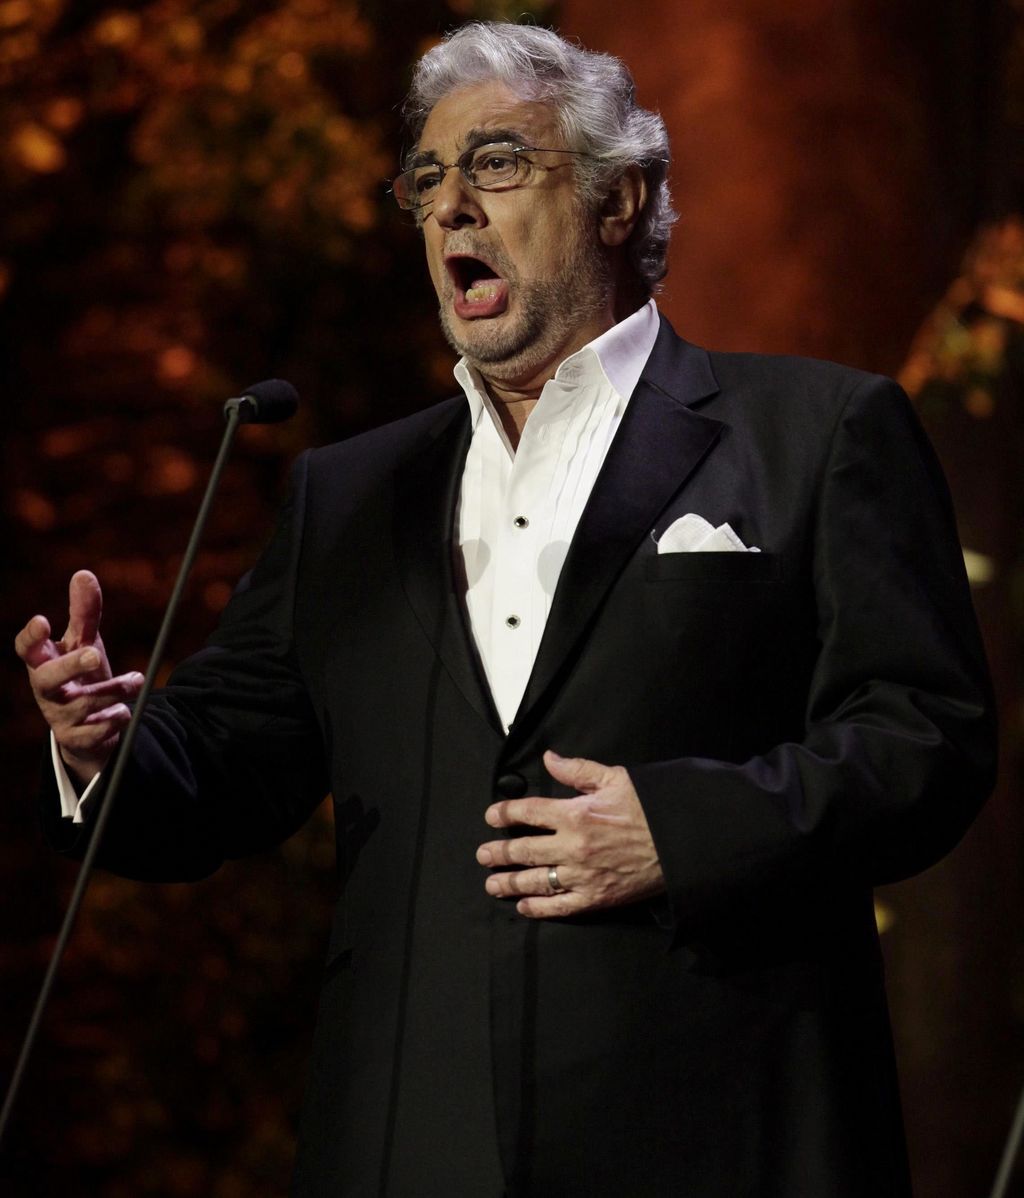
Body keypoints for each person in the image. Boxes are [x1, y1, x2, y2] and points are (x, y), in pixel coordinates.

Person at [15, 21, 995, 1198]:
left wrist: (677, 830)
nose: (448, 209)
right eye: (425, 179)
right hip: (409, 1136)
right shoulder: (351, 493)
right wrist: (108, 743)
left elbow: (923, 741)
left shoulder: (815, 435)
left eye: (494, 164)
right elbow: (227, 768)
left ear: (619, 199)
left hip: (716, 1130)